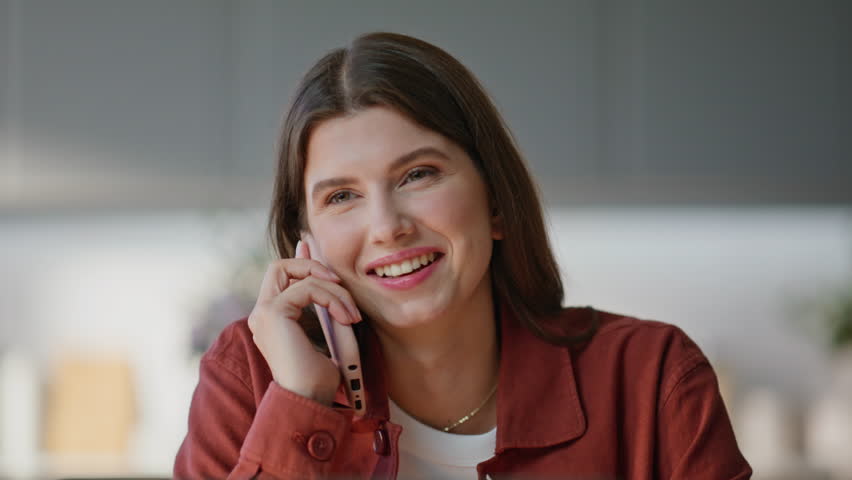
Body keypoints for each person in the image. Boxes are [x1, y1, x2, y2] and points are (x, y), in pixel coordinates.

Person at [174, 32, 751, 479]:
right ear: (308, 243)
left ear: (495, 201)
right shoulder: (250, 380)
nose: (387, 227)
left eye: (418, 174)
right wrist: (300, 406)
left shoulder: (652, 380)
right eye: (342, 196)